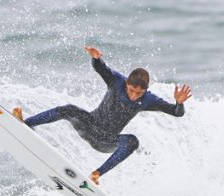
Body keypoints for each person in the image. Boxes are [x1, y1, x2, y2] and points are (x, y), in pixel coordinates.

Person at [12, 46, 192, 185]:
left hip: (106, 141)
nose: (134, 95)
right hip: (89, 124)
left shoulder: (148, 99)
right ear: (127, 83)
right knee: (68, 109)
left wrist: (179, 103)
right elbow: (101, 68)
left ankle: (96, 174)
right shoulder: (117, 81)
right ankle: (26, 123)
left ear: (145, 90)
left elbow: (176, 113)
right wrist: (95, 58)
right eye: (131, 90)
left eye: (139, 93)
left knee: (132, 142)